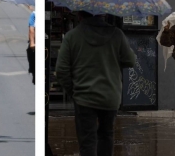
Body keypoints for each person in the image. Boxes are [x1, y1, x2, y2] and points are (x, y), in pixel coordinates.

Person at [56, 11, 136, 156]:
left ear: (80, 15)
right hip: (110, 96)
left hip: (83, 98)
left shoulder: (72, 36)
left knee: (87, 141)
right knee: (106, 135)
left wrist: (73, 91)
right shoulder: (117, 34)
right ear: (104, 14)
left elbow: (61, 70)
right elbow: (130, 61)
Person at [27, 6, 35, 84]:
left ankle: (32, 69)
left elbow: (31, 30)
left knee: (29, 51)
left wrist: (32, 42)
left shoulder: (34, 14)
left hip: (35, 43)